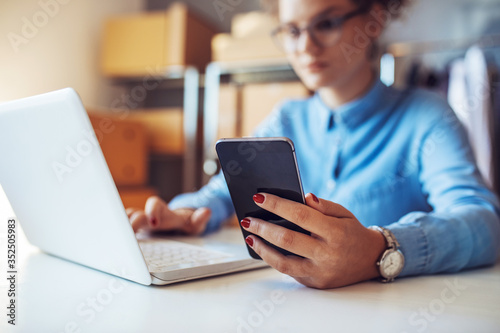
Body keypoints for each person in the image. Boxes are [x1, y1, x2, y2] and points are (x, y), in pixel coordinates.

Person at [126, 0, 500, 289]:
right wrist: (180, 215)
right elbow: (217, 195)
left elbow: (483, 223)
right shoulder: (284, 119)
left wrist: (380, 248)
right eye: (291, 30)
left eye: (326, 23)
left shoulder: (426, 117)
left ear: (375, 17)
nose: (306, 46)